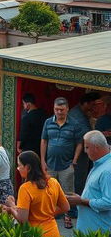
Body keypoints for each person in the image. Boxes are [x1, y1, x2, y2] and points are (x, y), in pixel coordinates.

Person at [2, 151, 69, 237]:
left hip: (36, 236)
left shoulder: (25, 188)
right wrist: (45, 215)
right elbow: (65, 207)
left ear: (28, 167)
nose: (18, 169)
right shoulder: (53, 182)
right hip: (53, 233)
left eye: (19, 165)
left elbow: (23, 220)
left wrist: (11, 208)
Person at [41, 97, 85, 228]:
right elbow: (44, 141)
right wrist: (42, 160)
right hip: (50, 164)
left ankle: (68, 216)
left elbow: (79, 143)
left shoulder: (74, 124)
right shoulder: (48, 122)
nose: (59, 112)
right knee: (49, 191)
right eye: (56, 109)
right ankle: (50, 215)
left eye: (62, 110)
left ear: (67, 109)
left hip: (66, 165)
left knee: (68, 192)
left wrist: (74, 161)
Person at [66, 130, 111, 233]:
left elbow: (108, 202)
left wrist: (82, 201)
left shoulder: (107, 170)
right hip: (90, 230)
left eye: (87, 147)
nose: (85, 151)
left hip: (97, 233)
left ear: (96, 147)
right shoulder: (101, 164)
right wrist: (80, 199)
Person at [69, 92, 102, 194]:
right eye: (92, 105)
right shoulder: (77, 117)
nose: (93, 108)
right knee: (78, 182)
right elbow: (84, 139)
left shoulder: (81, 114)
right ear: (86, 104)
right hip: (77, 157)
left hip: (79, 157)